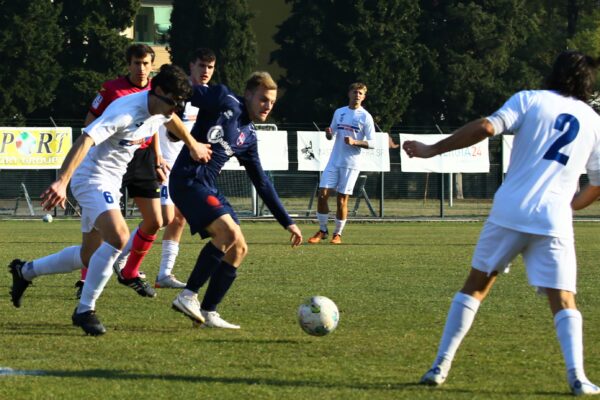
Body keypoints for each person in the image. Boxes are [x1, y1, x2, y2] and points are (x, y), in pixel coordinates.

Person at [402, 50, 600, 396]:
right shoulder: (593, 120)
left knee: (476, 286)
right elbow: (597, 184)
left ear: (554, 72)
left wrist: (432, 149)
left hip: (511, 210)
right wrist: (568, 207)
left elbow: (486, 127)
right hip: (553, 218)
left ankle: (440, 365)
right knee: (564, 300)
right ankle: (578, 377)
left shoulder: (530, 99)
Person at [9, 64, 212, 336]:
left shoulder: (162, 107)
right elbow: (85, 140)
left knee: (88, 255)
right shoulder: (124, 111)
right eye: (173, 102)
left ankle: (25, 271)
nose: (174, 110)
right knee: (118, 237)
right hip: (90, 178)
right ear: (159, 91)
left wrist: (192, 143)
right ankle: (85, 310)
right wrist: (62, 181)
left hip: (111, 181)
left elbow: (170, 120)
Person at [169, 71, 303, 329]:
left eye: (272, 102)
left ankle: (208, 312)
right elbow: (185, 90)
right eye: (263, 99)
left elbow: (262, 182)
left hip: (206, 186)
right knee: (228, 232)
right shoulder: (224, 98)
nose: (268, 106)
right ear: (249, 94)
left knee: (239, 248)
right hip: (187, 180)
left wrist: (288, 222)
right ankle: (188, 295)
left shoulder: (249, 136)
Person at [75, 43, 161, 299]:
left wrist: (157, 156)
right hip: (112, 157)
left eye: (146, 63)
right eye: (137, 63)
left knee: (156, 220)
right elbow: (91, 121)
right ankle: (84, 279)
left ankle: (129, 270)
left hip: (142, 157)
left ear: (152, 65)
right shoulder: (112, 89)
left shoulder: (156, 91)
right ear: (129, 64)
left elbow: (155, 124)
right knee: (101, 227)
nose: (142, 68)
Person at [155, 48, 216, 289]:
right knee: (160, 219)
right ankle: (123, 259)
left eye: (210, 67)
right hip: (165, 164)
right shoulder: (178, 92)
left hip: (186, 169)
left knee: (178, 219)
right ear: (191, 66)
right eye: (202, 66)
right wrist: (156, 156)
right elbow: (156, 123)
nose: (206, 71)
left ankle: (163, 274)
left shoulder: (211, 97)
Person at [307, 82, 375, 245]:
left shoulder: (366, 116)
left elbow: (372, 143)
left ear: (364, 97)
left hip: (351, 163)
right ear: (349, 94)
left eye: (360, 93)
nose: (357, 95)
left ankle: (337, 234)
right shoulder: (339, 112)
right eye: (354, 92)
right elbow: (332, 135)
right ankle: (323, 230)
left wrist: (355, 142)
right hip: (334, 161)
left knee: (341, 200)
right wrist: (328, 133)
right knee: (322, 194)